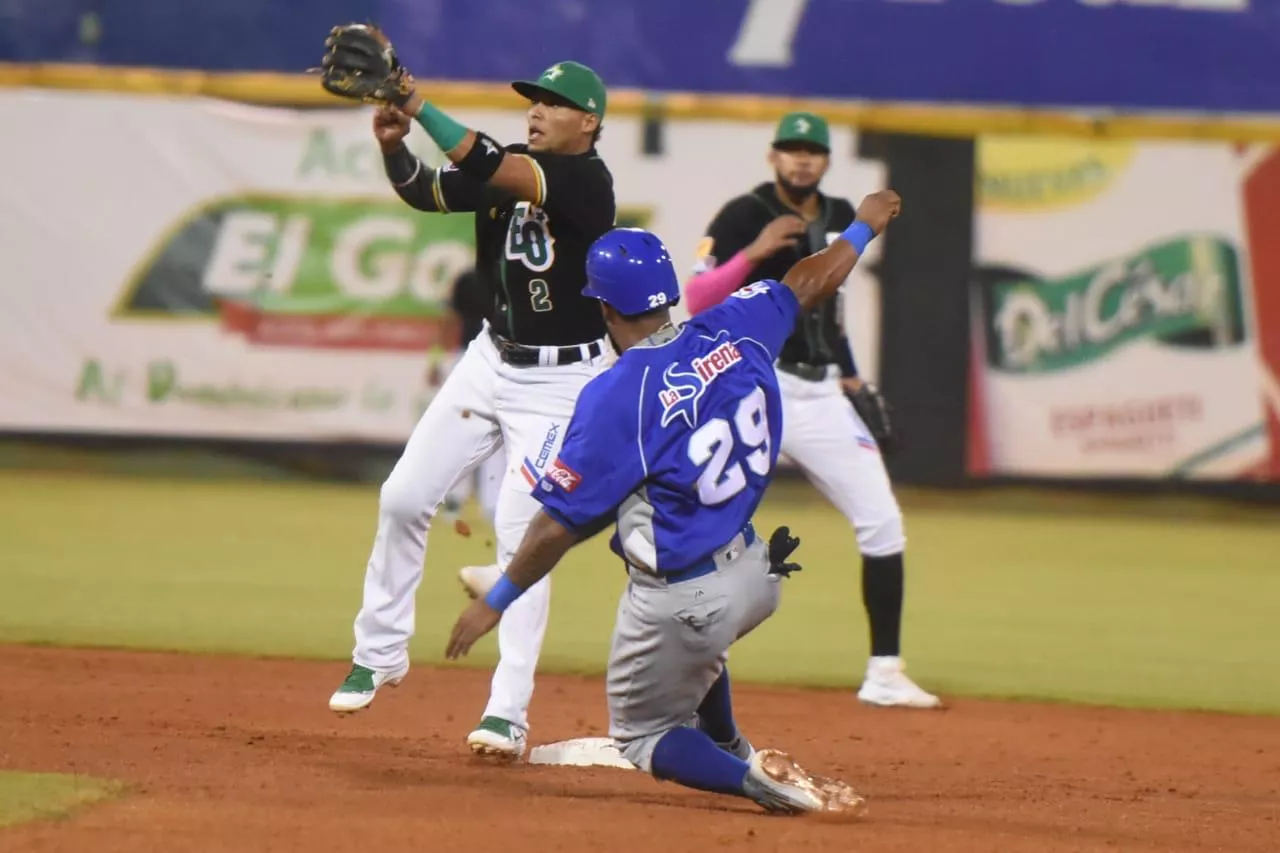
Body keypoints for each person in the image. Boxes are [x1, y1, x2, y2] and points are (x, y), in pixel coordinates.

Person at [445, 187, 902, 814]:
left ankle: (765, 787)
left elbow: (557, 525)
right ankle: (734, 745)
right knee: (695, 648)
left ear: (604, 309)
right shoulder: (735, 324)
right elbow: (805, 282)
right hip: (755, 572)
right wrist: (860, 229)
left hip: (689, 599)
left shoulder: (618, 396)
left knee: (644, 734)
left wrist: (497, 600)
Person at [325, 59, 617, 762]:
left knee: (522, 539)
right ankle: (380, 652)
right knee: (402, 496)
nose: (538, 110)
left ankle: (507, 712)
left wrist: (415, 100)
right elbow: (427, 192)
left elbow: (484, 160)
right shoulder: (513, 165)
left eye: (554, 103)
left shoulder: (584, 181)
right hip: (489, 360)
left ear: (590, 122)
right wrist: (395, 144)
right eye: (534, 100)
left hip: (564, 379)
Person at [683, 112, 939, 709]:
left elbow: (830, 308)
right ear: (773, 156)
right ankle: (686, 662)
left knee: (882, 522)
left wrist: (849, 373)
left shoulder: (839, 213)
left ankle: (884, 671)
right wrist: (755, 251)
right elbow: (695, 298)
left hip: (821, 392)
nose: (802, 159)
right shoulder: (743, 213)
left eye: (813, 150)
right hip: (759, 385)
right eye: (792, 149)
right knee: (710, 522)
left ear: (827, 160)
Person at [441, 268, 504, 528]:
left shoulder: (479, 277)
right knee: (462, 431)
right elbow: (450, 319)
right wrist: (439, 355)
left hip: (496, 359)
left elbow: (447, 319)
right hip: (473, 356)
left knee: (488, 433)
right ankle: (459, 499)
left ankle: (492, 504)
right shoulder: (471, 278)